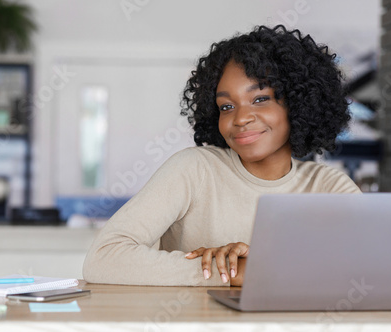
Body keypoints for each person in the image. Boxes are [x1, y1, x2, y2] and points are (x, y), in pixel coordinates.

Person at [82, 25, 361, 287]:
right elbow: (103, 258)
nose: (240, 118)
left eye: (260, 99)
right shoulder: (194, 169)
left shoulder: (329, 187)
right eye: (226, 106)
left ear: (299, 104)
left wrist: (257, 267)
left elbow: (367, 267)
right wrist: (231, 272)